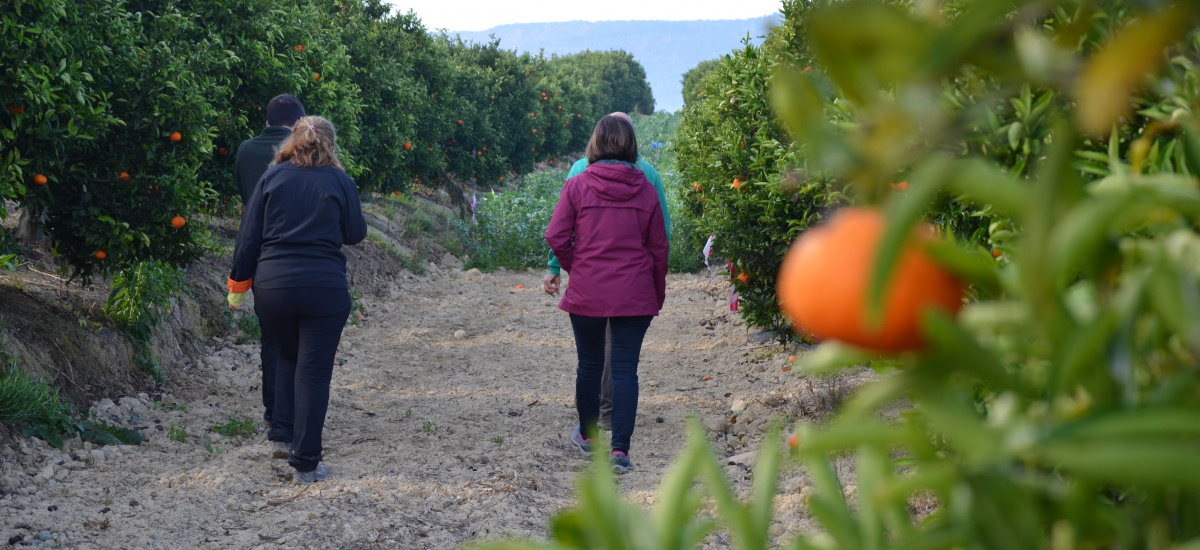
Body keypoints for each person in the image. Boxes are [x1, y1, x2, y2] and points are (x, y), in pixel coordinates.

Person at [227, 115, 367, 484]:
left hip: (273, 289)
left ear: (290, 143)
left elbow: (248, 237)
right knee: (314, 371)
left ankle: (282, 433)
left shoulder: (272, 177)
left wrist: (237, 287)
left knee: (286, 354)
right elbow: (355, 233)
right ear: (330, 145)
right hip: (323, 288)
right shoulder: (340, 181)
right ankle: (305, 462)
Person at [544, 114, 669, 472]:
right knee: (625, 370)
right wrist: (654, 290)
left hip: (588, 291)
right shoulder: (645, 187)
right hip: (634, 293)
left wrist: (575, 266)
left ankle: (588, 437)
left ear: (595, 143)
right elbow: (659, 248)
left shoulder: (577, 185)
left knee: (590, 364)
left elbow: (556, 235)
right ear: (631, 145)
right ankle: (620, 452)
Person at [233, 94, 306, 458]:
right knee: (297, 342)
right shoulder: (299, 153)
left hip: (259, 252)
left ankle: (272, 409)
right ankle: (290, 415)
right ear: (297, 123)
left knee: (271, 339)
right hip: (291, 248)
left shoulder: (245, 150)